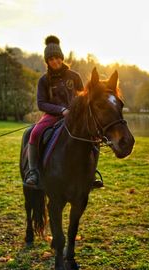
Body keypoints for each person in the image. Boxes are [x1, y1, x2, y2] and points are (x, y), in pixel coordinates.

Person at [24, 35, 103, 189]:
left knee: (94, 136)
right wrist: (61, 110)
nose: (55, 61)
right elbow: (41, 103)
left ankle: (91, 172)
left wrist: (76, 110)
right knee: (34, 133)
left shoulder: (74, 77)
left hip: (76, 117)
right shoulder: (44, 80)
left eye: (57, 58)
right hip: (52, 116)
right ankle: (33, 171)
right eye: (51, 59)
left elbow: (84, 97)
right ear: (47, 61)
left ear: (62, 57)